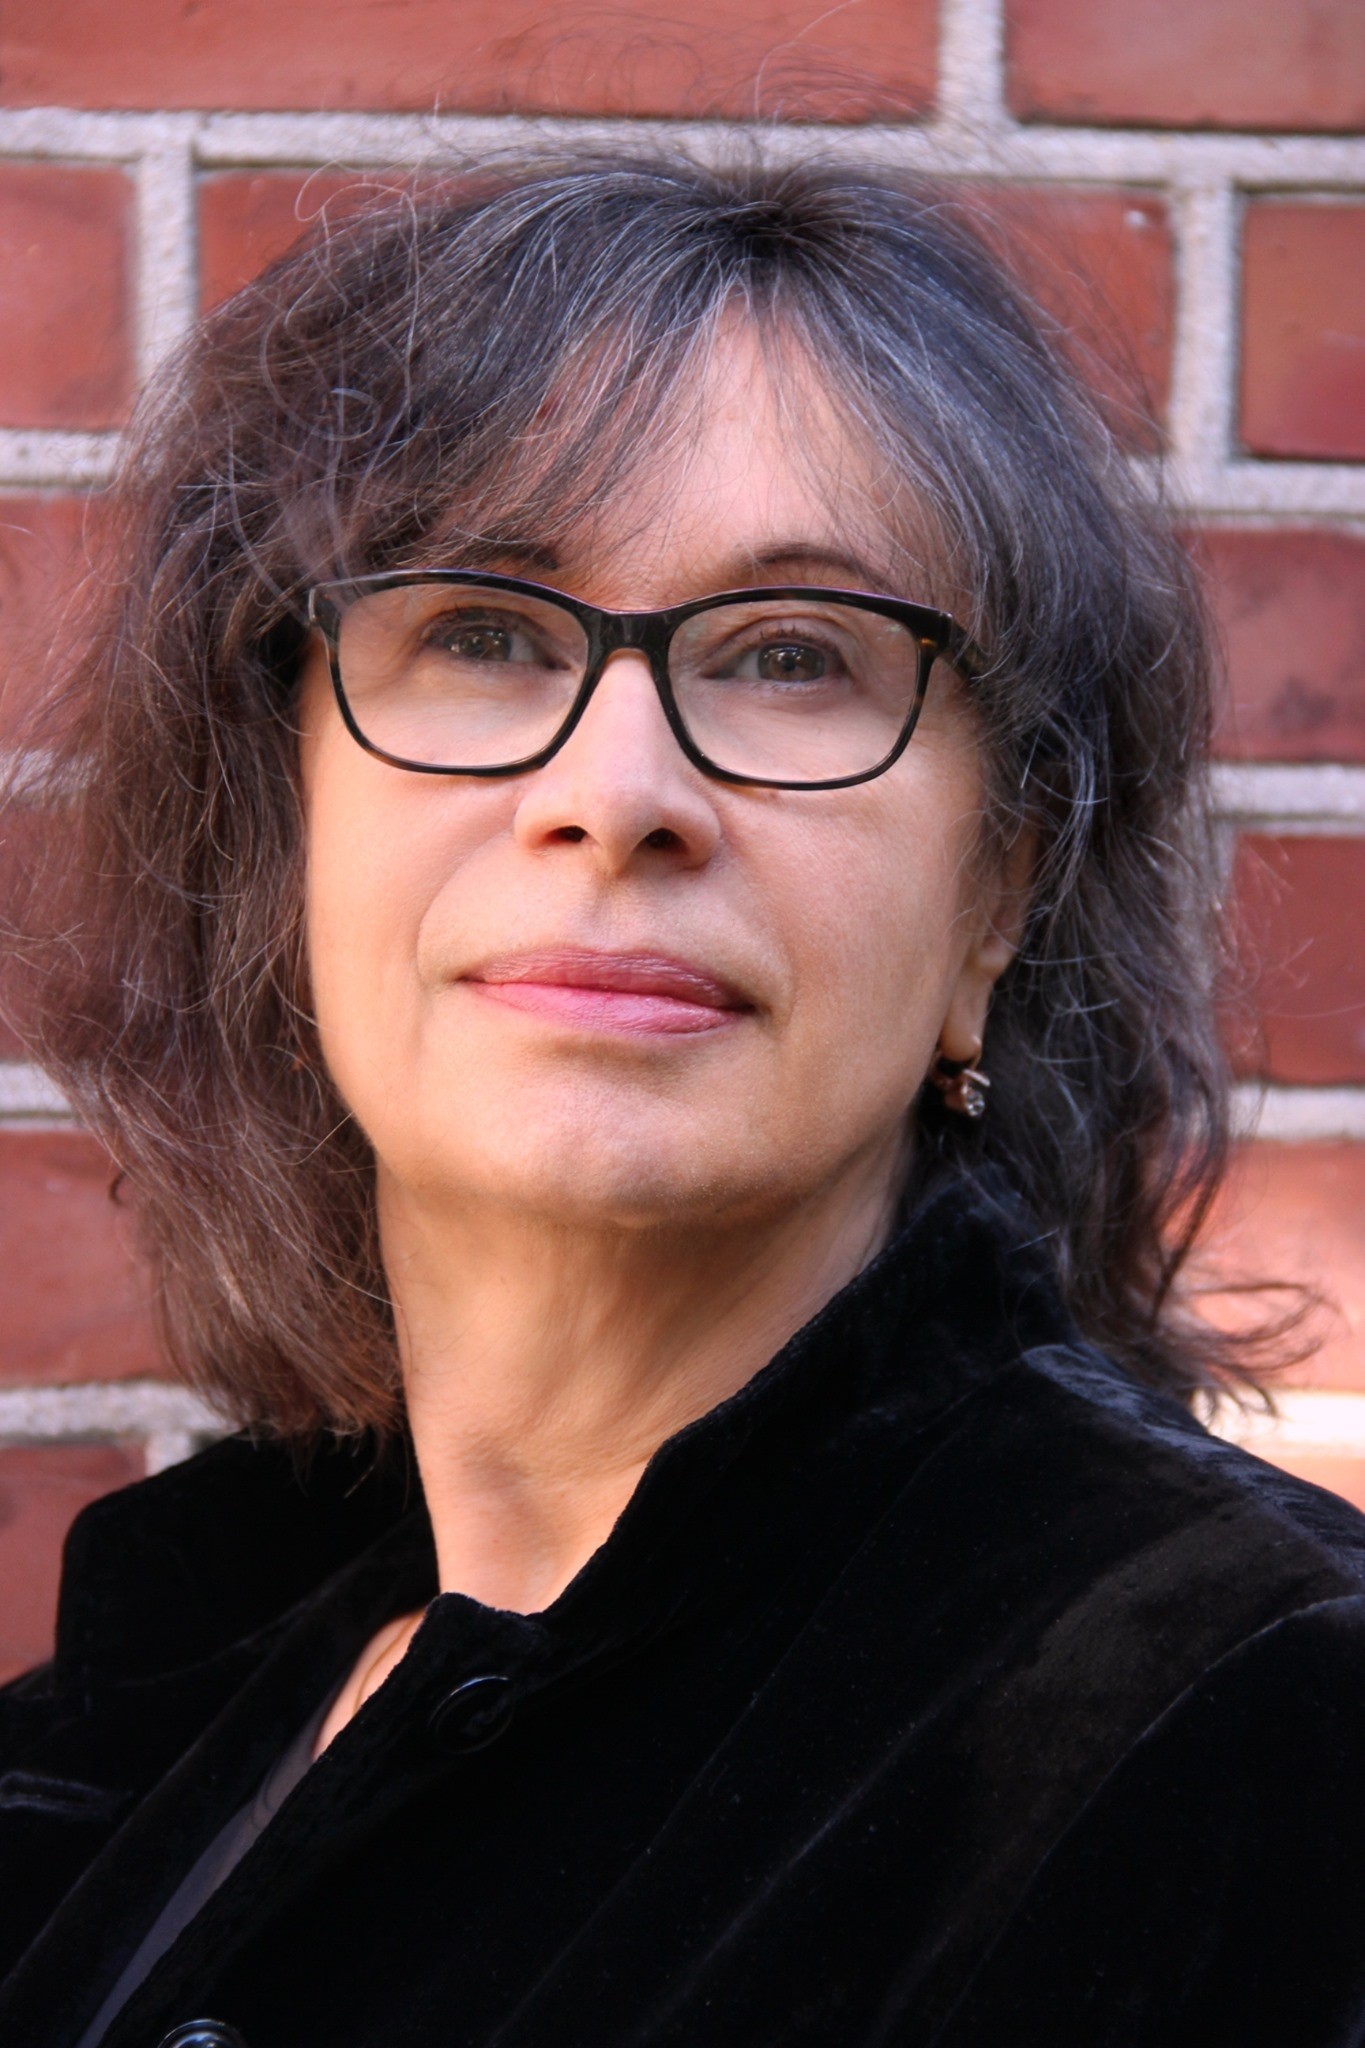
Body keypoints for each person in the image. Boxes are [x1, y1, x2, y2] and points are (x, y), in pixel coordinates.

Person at [1, 146, 1362, 2048]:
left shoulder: (1265, 1730)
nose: (616, 791)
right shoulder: (144, 1706)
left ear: (997, 893)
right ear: (285, 824)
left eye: (793, 657)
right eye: (481, 632)